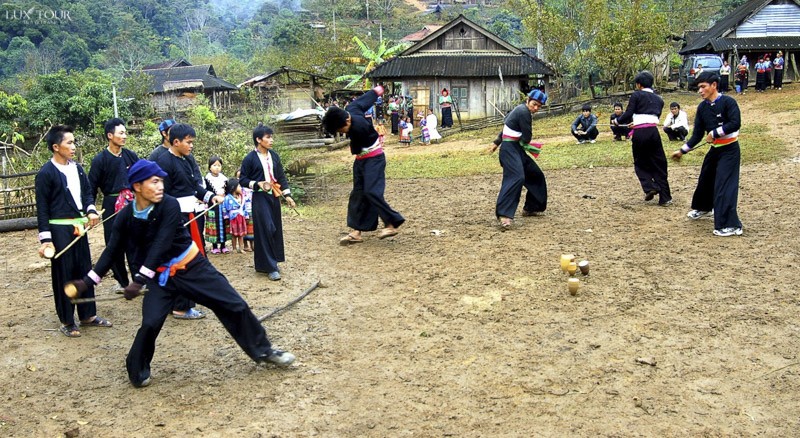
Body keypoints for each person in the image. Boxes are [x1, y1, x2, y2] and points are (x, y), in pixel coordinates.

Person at [67, 159, 295, 387]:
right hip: (161, 279)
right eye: (154, 182)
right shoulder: (126, 217)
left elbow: (161, 244)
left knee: (234, 304)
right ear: (137, 186)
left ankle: (264, 350)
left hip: (193, 268)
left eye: (161, 182)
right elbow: (112, 251)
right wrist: (86, 283)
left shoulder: (169, 206)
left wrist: (138, 279)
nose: (160, 186)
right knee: (150, 323)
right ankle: (137, 369)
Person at [35, 125, 109, 338]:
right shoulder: (46, 173)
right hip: (59, 230)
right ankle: (67, 320)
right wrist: (46, 240)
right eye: (70, 142)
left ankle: (88, 315)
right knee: (64, 273)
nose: (74, 147)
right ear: (56, 147)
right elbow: (43, 208)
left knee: (84, 269)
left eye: (74, 142)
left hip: (80, 227)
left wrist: (91, 210)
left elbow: (87, 194)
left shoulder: (77, 169)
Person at [322, 84, 405, 244]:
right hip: (361, 161)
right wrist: (376, 91)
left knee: (372, 192)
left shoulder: (359, 126)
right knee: (357, 194)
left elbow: (356, 147)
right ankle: (356, 232)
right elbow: (364, 101)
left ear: (347, 120)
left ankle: (391, 223)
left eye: (342, 129)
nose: (343, 132)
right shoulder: (351, 109)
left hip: (374, 160)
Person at [155, 123, 220, 320]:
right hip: (176, 219)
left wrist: (210, 197)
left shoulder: (187, 159)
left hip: (189, 215)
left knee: (188, 259)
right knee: (181, 261)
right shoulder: (163, 161)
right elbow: (161, 193)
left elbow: (193, 186)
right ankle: (180, 306)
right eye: (188, 142)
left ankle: (179, 302)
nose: (191, 146)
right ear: (176, 142)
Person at [671, 71, 743, 237]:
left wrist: (715, 133)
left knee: (724, 185)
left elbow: (735, 123)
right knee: (706, 179)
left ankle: (731, 225)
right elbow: (697, 134)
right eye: (699, 87)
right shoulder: (703, 107)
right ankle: (703, 208)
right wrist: (682, 150)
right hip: (715, 150)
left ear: (714, 86)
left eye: (703, 87)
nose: (700, 91)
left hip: (730, 149)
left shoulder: (728, 102)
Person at [238, 125, 296, 280]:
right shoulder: (250, 158)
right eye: (268, 137)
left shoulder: (274, 156)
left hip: (274, 196)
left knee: (275, 228)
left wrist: (288, 195)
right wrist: (257, 184)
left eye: (272, 137)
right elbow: (242, 179)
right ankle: (271, 267)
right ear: (258, 139)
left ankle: (269, 263)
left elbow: (281, 177)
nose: (271, 140)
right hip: (260, 197)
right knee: (266, 228)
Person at [88, 118, 138, 291]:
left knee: (135, 242)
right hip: (111, 204)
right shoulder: (100, 160)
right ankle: (122, 281)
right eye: (121, 133)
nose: (124, 136)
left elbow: (142, 177)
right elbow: (91, 188)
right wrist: (90, 209)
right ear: (110, 135)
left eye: (125, 133)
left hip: (132, 203)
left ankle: (138, 280)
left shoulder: (130, 156)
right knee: (114, 243)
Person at [488, 89, 548, 229]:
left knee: (535, 174)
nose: (536, 108)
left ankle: (532, 207)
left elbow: (506, 128)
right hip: (509, 151)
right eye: (534, 104)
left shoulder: (520, 110)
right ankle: (504, 215)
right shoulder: (523, 112)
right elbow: (527, 137)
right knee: (517, 177)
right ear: (528, 100)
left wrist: (496, 143)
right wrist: (502, 143)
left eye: (539, 106)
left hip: (516, 149)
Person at [613, 70, 672, 206]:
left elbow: (629, 113)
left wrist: (617, 121)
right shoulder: (659, 99)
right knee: (659, 163)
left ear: (639, 85)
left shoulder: (636, 95)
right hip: (653, 132)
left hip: (639, 134)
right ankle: (665, 197)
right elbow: (653, 117)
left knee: (640, 163)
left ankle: (650, 187)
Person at [204, 156, 229, 254]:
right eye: (214, 165)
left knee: (223, 223)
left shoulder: (224, 179)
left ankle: (223, 245)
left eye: (219, 165)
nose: (217, 167)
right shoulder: (207, 179)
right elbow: (206, 192)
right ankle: (214, 246)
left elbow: (227, 191)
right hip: (212, 205)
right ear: (210, 167)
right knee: (214, 225)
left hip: (222, 205)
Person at [222, 177, 247, 253]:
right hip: (233, 218)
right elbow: (224, 208)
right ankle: (234, 248)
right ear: (233, 188)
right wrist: (226, 217)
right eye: (239, 186)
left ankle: (241, 248)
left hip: (241, 217)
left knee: (241, 234)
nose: (241, 188)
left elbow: (244, 207)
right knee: (234, 234)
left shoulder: (242, 197)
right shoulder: (227, 198)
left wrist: (246, 215)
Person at [235, 168, 255, 252]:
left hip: (251, 210)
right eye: (238, 177)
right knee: (243, 228)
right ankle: (245, 244)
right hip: (242, 212)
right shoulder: (238, 190)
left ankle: (253, 244)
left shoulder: (252, 188)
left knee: (252, 228)